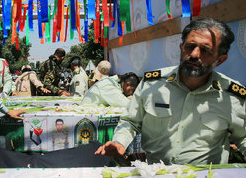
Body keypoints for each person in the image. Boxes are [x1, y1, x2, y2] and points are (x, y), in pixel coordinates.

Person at [96, 18, 246, 165]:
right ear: (181, 48)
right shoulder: (152, 84)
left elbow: (243, 137)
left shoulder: (231, 96)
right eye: (190, 46)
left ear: (220, 59)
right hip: (155, 177)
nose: (194, 54)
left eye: (205, 50)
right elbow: (131, 121)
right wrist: (120, 143)